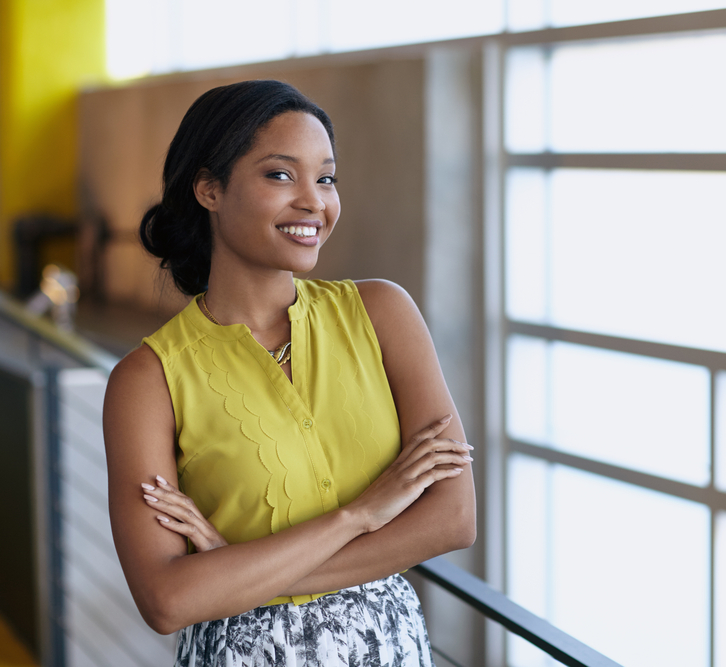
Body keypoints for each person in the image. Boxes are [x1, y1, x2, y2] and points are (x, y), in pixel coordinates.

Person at [103, 79, 476, 666]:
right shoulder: (147, 379)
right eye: (281, 175)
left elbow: (453, 519)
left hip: (390, 649)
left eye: (325, 177)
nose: (314, 201)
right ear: (209, 189)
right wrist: (361, 515)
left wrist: (236, 571)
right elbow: (167, 599)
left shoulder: (383, 314)